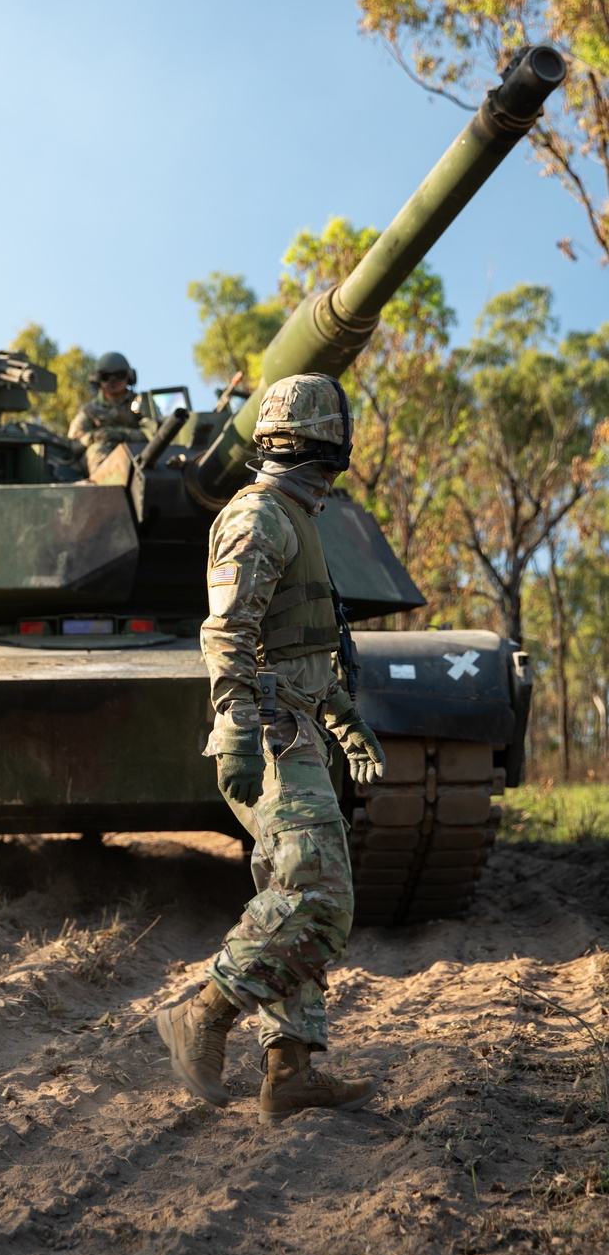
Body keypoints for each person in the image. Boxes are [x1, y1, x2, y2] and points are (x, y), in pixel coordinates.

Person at [156, 373, 386, 1124]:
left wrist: (341, 713)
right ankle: (204, 1014)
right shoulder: (259, 518)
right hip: (272, 732)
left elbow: (299, 638)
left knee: (291, 892)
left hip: (295, 724)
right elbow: (228, 635)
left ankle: (288, 1071)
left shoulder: (292, 517)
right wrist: (240, 731)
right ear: (331, 440)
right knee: (320, 900)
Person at [68, 352, 148, 474]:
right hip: (100, 456)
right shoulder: (90, 410)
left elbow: (156, 433)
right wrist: (96, 437)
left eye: (119, 375)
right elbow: (74, 443)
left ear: (129, 376)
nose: (113, 380)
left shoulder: (143, 404)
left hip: (137, 454)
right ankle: (105, 490)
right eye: (106, 376)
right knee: (96, 450)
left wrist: (123, 435)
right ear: (97, 379)